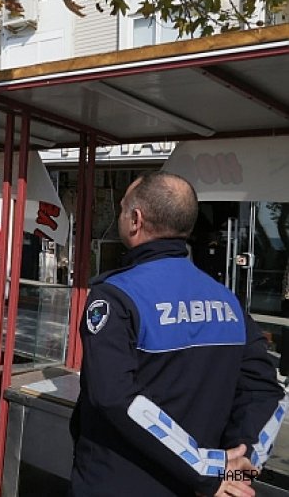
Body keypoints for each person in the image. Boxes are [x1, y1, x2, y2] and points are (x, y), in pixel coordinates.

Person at [71, 171, 286, 497]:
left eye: (123, 207)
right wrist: (244, 460)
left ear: (135, 220)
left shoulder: (116, 296)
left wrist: (206, 467)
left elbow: (113, 397)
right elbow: (267, 391)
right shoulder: (226, 299)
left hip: (117, 481)